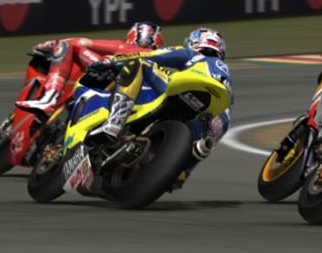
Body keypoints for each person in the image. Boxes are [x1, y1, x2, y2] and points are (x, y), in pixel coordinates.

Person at [87, 27, 232, 170]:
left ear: (195, 41)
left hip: (184, 86)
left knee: (138, 63)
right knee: (200, 147)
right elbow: (223, 121)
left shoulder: (191, 54)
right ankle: (180, 172)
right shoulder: (225, 76)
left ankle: (115, 123)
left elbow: (152, 55)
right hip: (212, 107)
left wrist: (112, 62)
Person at [14, 22, 164, 116]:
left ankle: (49, 97)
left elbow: (79, 42)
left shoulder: (124, 47)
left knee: (65, 46)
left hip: (111, 76)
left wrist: (48, 45)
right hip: (136, 102)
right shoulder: (161, 58)